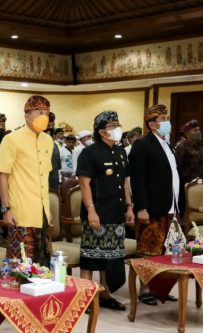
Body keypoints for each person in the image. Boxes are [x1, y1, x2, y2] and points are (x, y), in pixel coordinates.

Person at [77, 111, 134, 311]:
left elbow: (124, 181)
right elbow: (84, 184)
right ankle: (85, 298)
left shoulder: (120, 151)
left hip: (116, 211)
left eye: (118, 124)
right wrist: (91, 211)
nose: (117, 128)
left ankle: (105, 294)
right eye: (112, 125)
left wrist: (129, 206)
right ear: (102, 131)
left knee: (110, 257)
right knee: (90, 256)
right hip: (97, 211)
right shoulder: (90, 153)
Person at [129, 104, 180, 306]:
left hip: (171, 206)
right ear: (152, 124)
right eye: (163, 119)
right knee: (148, 250)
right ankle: (145, 290)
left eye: (167, 118)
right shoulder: (142, 145)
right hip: (152, 208)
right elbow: (138, 179)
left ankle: (160, 288)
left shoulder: (168, 144)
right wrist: (141, 207)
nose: (168, 122)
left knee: (165, 250)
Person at [0, 95, 53, 265]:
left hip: (42, 212)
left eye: (47, 113)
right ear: (27, 116)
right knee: (20, 266)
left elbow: (45, 177)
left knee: (42, 265)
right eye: (39, 112)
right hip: (21, 212)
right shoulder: (11, 139)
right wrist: (6, 209)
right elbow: (3, 176)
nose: (44, 116)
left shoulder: (48, 140)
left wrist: (47, 209)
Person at [175, 119, 203, 184]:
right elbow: (178, 168)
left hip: (201, 183)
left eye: (199, 130)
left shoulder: (201, 147)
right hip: (187, 183)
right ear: (187, 133)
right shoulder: (181, 148)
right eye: (195, 130)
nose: (198, 132)